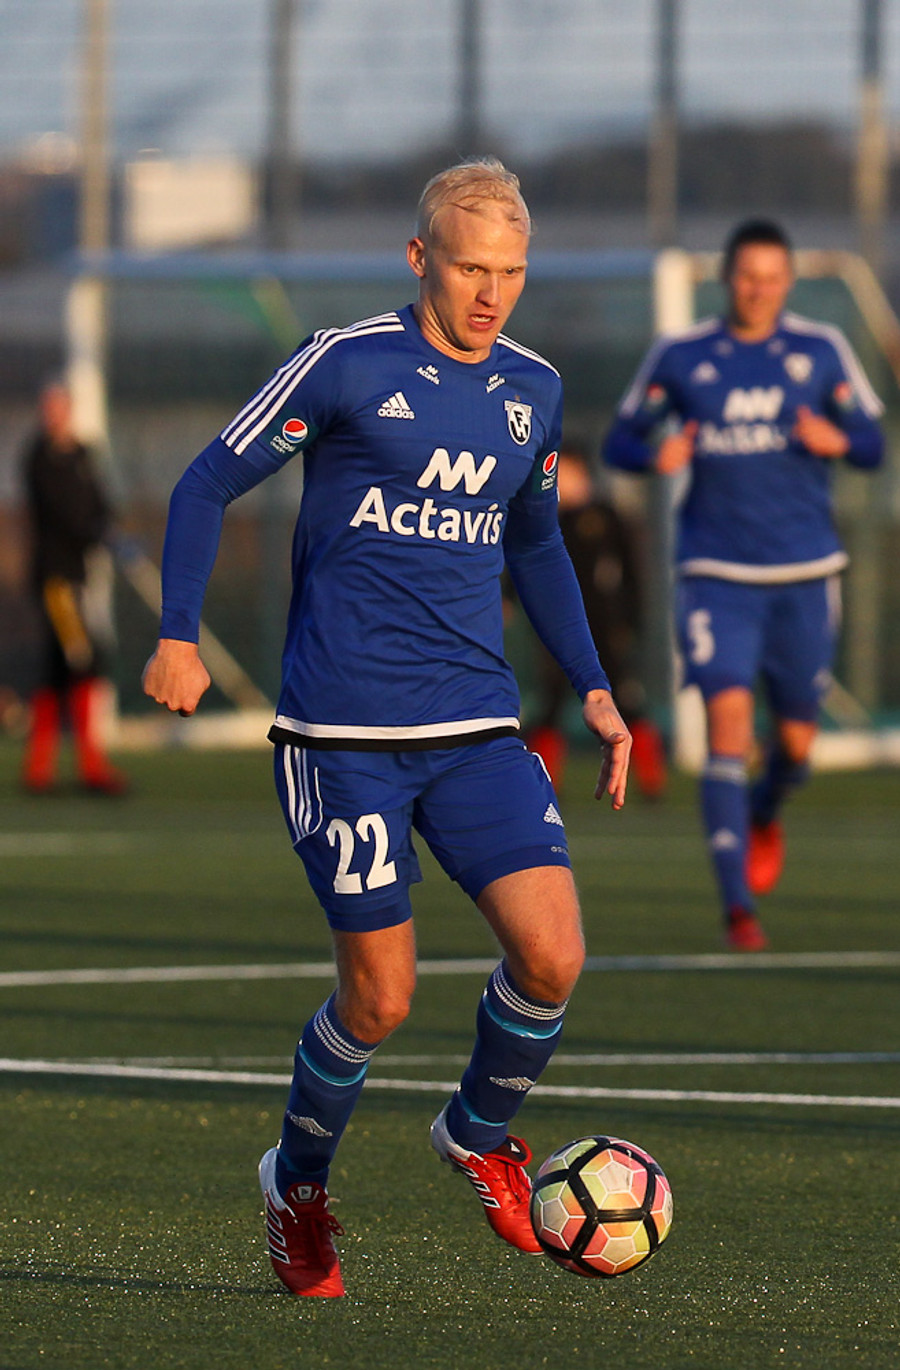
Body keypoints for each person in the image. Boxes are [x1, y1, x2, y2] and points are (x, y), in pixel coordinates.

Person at [142, 158, 631, 1298]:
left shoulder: (534, 390)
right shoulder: (347, 363)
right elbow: (204, 483)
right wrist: (175, 634)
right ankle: (297, 1185)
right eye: (470, 267)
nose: (491, 292)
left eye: (511, 272)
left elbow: (537, 542)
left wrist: (594, 686)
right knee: (381, 998)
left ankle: (477, 1131)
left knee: (554, 955)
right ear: (420, 258)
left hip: (477, 727)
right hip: (342, 740)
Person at [603, 218, 884, 951]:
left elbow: (873, 443)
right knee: (727, 727)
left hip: (804, 573)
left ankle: (765, 810)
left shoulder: (820, 350)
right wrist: (655, 454)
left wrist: (839, 440)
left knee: (796, 743)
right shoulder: (683, 355)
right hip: (715, 572)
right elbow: (620, 440)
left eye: (772, 278)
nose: (758, 290)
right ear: (725, 278)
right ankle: (738, 910)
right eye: (747, 276)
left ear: (789, 282)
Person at [524, 443, 667, 799]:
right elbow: (528, 567)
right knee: (551, 705)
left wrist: (629, 622)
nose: (561, 482)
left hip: (605, 628)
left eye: (567, 473)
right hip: (560, 632)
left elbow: (631, 575)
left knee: (626, 703)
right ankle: (542, 781)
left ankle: (651, 781)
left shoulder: (606, 518)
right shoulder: (548, 520)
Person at [20, 380, 128, 796]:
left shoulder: (83, 454)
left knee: (57, 668)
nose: (54, 415)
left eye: (60, 407)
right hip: (56, 579)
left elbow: (99, 501)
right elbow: (62, 513)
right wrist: (95, 532)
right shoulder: (39, 458)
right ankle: (90, 766)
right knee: (82, 660)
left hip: (78, 576)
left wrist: (111, 528)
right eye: (48, 407)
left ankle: (39, 771)